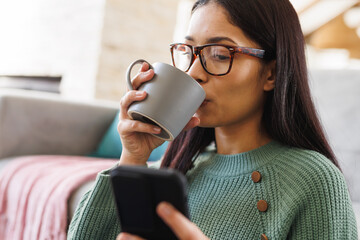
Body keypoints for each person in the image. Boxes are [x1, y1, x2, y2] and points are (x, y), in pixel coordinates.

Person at [68, 0, 358, 239]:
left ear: (271, 73)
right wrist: (131, 159)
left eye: (219, 54)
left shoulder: (312, 179)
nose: (194, 72)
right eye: (189, 52)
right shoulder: (175, 170)